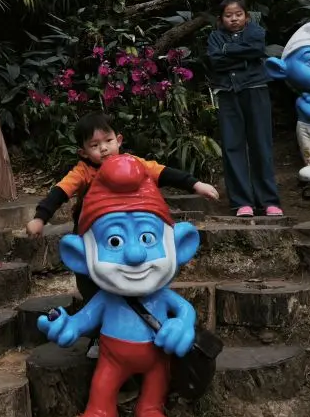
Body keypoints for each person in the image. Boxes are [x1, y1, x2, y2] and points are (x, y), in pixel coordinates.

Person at [26, 112, 219, 355]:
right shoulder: (83, 172)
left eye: (108, 141)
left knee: (148, 281)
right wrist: (40, 218)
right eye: (94, 145)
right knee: (92, 288)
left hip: (136, 236)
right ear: (83, 152)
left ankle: (152, 329)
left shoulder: (134, 164)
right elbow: (59, 192)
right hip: (97, 240)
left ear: (118, 140)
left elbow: (164, 172)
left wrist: (196, 184)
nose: (103, 149)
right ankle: (99, 336)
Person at [206, 0, 283, 218]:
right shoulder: (215, 37)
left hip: (255, 89)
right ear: (221, 19)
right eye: (228, 15)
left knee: (261, 144)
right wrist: (243, 56)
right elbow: (215, 61)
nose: (234, 19)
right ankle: (241, 202)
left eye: (238, 14)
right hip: (228, 93)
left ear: (246, 17)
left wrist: (227, 50)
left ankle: (268, 201)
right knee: (232, 146)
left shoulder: (255, 31)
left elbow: (257, 50)